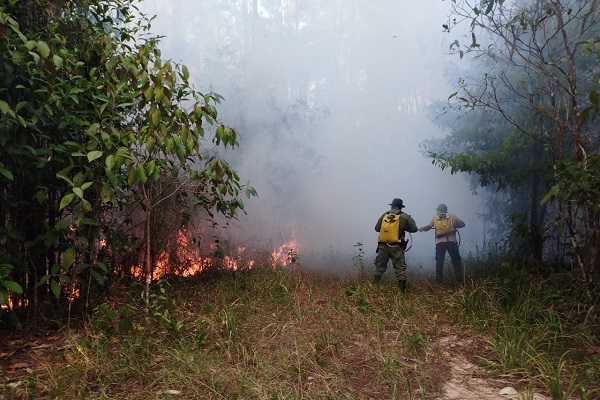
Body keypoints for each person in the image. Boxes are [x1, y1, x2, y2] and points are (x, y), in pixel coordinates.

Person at [373, 198, 418, 291]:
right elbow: (414, 229)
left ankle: (373, 289)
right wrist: (403, 228)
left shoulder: (384, 215)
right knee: (400, 269)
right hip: (396, 246)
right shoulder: (405, 216)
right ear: (400, 207)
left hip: (382, 246)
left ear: (392, 206)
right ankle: (402, 293)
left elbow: (377, 228)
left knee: (379, 268)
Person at [418, 203, 466, 282]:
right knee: (455, 260)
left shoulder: (435, 218)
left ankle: (439, 279)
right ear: (446, 209)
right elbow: (463, 224)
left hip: (440, 243)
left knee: (440, 261)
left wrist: (421, 229)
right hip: (452, 242)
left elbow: (428, 227)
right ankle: (459, 278)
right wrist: (453, 226)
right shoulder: (452, 216)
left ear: (439, 210)